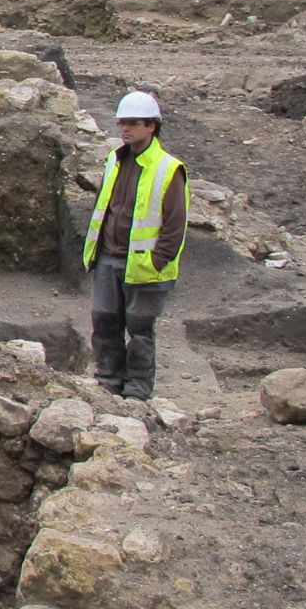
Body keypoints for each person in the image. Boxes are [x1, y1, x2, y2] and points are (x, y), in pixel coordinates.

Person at [80, 91, 188, 402]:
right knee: (104, 324)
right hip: (108, 259)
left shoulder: (168, 169)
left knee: (140, 331)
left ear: (151, 126)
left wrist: (157, 261)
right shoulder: (115, 160)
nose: (125, 130)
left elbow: (175, 223)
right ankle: (108, 384)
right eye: (122, 123)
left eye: (133, 123)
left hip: (142, 266)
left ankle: (137, 392)